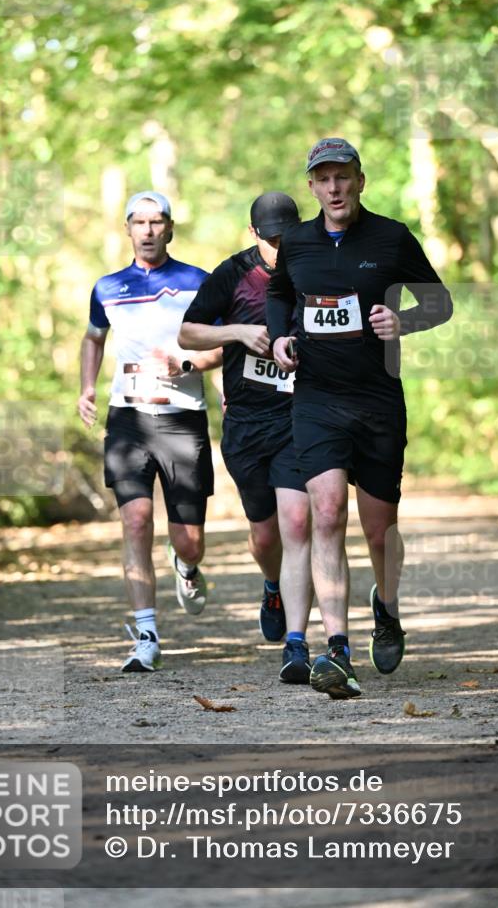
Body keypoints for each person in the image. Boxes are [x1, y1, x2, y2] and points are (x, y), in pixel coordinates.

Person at [267, 138, 453, 699]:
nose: (334, 188)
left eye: (343, 177)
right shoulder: (296, 242)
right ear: (311, 187)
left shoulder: (391, 237)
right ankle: (337, 650)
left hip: (377, 402)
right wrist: (278, 337)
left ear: (360, 180)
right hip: (317, 400)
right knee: (326, 514)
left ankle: (387, 607)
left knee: (378, 529)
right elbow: (278, 292)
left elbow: (440, 302)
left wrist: (405, 325)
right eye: (323, 179)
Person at [77, 190, 220, 674]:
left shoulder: (198, 281)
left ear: (170, 227)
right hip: (128, 419)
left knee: (189, 540)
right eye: (139, 222)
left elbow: (221, 346)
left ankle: (187, 566)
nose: (149, 230)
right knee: (135, 520)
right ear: (128, 230)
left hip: (182, 418)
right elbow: (93, 338)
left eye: (157, 222)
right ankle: (146, 636)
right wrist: (87, 389)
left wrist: (196, 367)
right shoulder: (107, 287)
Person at [178, 193, 313, 684]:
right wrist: (237, 333)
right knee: (265, 535)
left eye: (288, 237)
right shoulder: (233, 273)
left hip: (301, 417)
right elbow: (188, 334)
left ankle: (297, 644)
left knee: (298, 521)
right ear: (253, 234)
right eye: (271, 239)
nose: (280, 247)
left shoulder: (314, 265)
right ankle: (272, 584)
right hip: (247, 424)